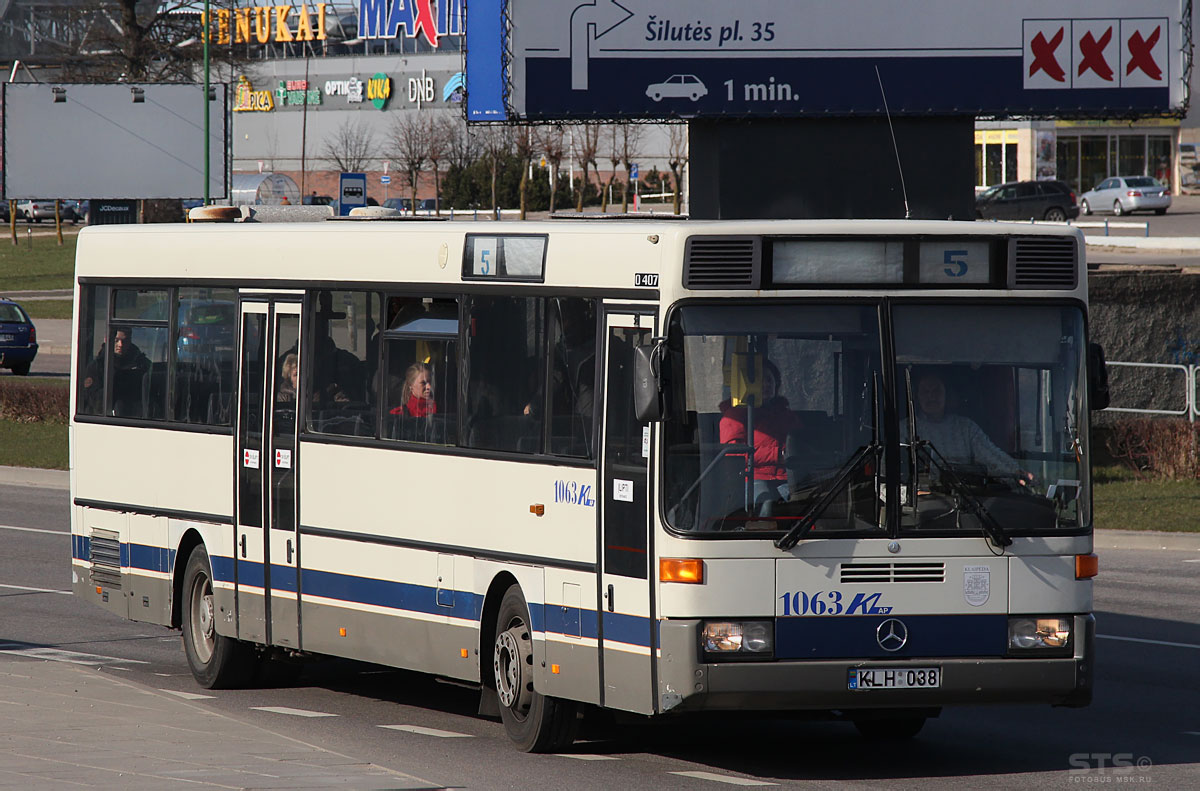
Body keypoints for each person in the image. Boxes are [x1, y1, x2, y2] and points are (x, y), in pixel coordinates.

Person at [904, 371, 1033, 485]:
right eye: (925, 392)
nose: (931, 397)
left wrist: (1016, 472)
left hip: (966, 499)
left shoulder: (965, 428)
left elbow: (990, 455)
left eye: (936, 391)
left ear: (947, 394)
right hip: (921, 504)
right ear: (916, 396)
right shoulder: (906, 428)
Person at [718, 359, 802, 508]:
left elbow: (801, 443)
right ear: (746, 385)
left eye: (769, 380)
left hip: (787, 476)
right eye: (759, 381)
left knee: (805, 504)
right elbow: (733, 456)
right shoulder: (735, 415)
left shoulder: (786, 414)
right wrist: (778, 455)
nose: (766, 385)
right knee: (767, 505)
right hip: (753, 477)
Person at [82, 326, 151, 417]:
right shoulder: (97, 367)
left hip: (137, 417)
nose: (120, 344)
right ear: (107, 339)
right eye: (116, 340)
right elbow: (95, 403)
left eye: (124, 341)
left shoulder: (141, 363)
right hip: (106, 419)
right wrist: (116, 385)